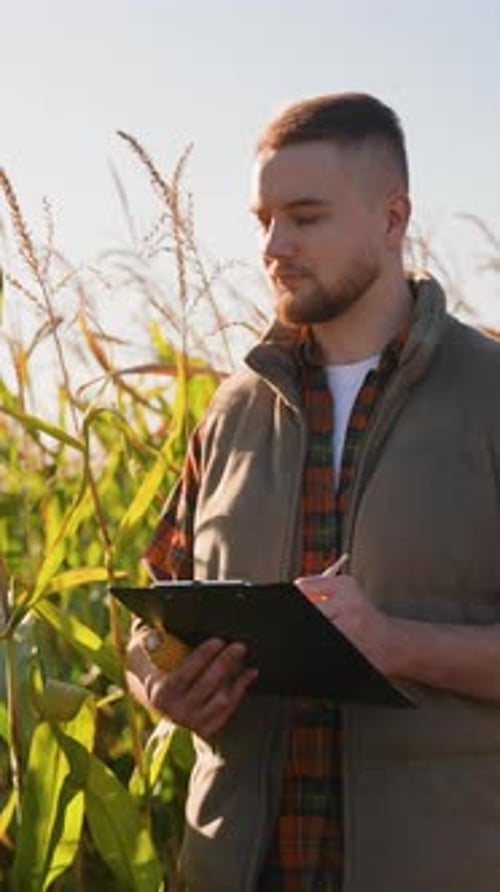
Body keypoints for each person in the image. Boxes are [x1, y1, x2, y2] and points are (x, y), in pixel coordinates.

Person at [126, 93, 500, 892]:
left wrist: (399, 645)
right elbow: (149, 624)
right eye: (263, 218)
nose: (273, 246)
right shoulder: (229, 412)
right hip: (239, 870)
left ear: (393, 218)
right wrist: (161, 684)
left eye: (305, 217)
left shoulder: (493, 397)